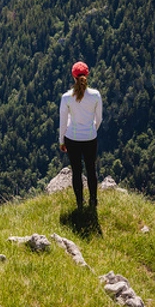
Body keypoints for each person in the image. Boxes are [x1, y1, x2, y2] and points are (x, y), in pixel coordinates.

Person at [59, 61, 103, 210]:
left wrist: (61, 140)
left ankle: (79, 203)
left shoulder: (66, 97)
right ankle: (93, 201)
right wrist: (92, 129)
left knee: (76, 171)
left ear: (73, 76)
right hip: (90, 138)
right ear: (87, 75)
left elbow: (63, 121)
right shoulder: (96, 95)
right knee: (91, 169)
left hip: (72, 138)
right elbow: (99, 118)